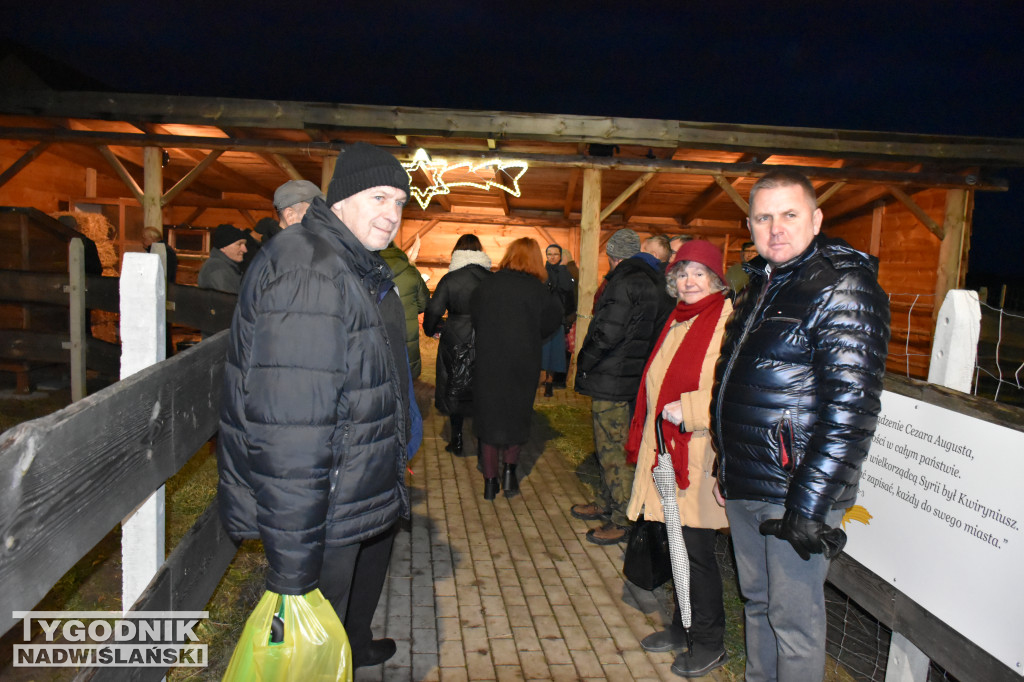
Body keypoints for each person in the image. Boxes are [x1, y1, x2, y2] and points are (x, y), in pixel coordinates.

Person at [217, 142, 415, 669]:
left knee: (325, 650)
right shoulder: (311, 270)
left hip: (335, 500)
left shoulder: (340, 262)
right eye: (379, 197)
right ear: (343, 199)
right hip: (320, 512)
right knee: (307, 651)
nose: (391, 214)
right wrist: (293, 568)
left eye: (399, 202)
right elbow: (292, 431)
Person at [711, 169, 890, 681]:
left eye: (789, 215)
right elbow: (737, 386)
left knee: (794, 623)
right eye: (764, 217)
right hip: (748, 480)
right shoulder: (760, 284)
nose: (776, 229)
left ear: (815, 219)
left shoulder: (842, 286)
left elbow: (851, 411)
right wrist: (727, 465)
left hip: (795, 492)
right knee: (757, 604)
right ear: (749, 224)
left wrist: (809, 507)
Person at [625, 239, 733, 678]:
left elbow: (729, 390)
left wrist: (687, 412)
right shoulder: (680, 318)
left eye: (699, 274)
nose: (689, 281)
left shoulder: (724, 321)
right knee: (675, 545)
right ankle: (681, 625)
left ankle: (709, 641)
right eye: (682, 273)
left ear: (715, 280)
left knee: (696, 551)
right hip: (666, 450)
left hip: (698, 454)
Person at [571, 228, 674, 544]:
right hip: (630, 376)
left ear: (613, 256)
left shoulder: (625, 282)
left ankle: (622, 518)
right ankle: (607, 502)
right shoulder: (654, 280)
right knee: (610, 447)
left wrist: (584, 360)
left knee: (614, 449)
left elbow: (607, 332)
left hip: (613, 378)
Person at [470, 238, 562, 500]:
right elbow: (553, 320)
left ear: (509, 255)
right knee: (517, 414)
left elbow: (474, 316)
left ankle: (490, 482)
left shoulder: (487, 286)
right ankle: (509, 473)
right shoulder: (539, 291)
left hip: (489, 360)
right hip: (524, 361)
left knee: (488, 416)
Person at [422, 234, 492, 457]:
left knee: (454, 383)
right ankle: (483, 442)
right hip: (485, 336)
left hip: (455, 335)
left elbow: (434, 310)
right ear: (480, 251)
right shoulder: (491, 279)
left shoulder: (450, 279)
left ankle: (457, 439)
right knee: (483, 385)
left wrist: (430, 329)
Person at [380, 241, 430, 379]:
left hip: (379, 336)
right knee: (407, 384)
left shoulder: (369, 270)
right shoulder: (411, 272)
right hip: (406, 336)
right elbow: (424, 304)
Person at [541, 243, 577, 395]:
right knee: (542, 350)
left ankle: (550, 382)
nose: (552, 257)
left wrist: (562, 268)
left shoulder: (565, 272)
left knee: (554, 351)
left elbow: (567, 289)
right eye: (549, 254)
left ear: (560, 256)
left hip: (558, 317)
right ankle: (542, 380)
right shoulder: (542, 271)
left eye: (555, 254)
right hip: (543, 316)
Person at [197, 224, 248, 294]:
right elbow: (228, 302)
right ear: (223, 247)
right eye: (239, 244)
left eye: (244, 244)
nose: (245, 250)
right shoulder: (219, 270)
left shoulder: (227, 267)